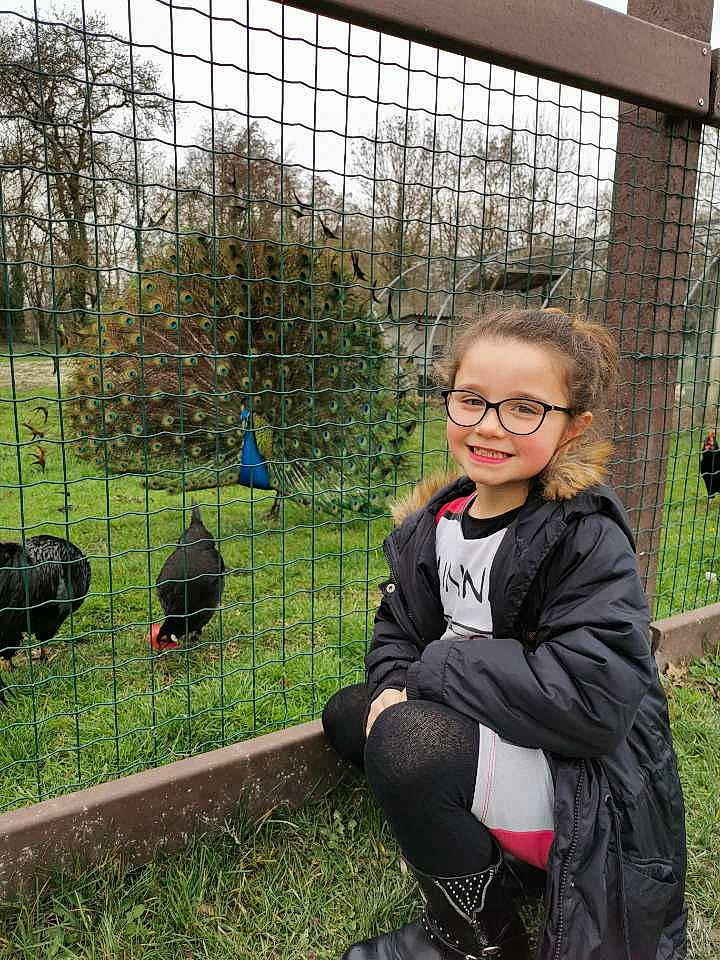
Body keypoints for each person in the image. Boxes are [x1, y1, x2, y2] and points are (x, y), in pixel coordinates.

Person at [322, 308, 687, 960]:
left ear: (574, 427)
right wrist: (397, 684)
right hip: (491, 728)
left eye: (524, 408)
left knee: (405, 741)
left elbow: (593, 703)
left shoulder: (582, 536)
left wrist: (430, 675)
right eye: (471, 400)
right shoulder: (435, 525)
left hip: (575, 781)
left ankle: (478, 939)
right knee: (353, 715)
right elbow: (397, 633)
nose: (489, 425)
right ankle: (481, 850)